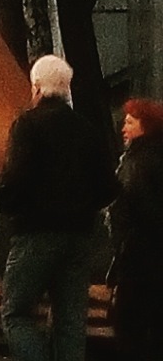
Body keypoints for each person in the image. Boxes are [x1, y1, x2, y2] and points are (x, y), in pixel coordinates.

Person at [0, 55, 118, 361]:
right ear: (66, 89)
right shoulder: (87, 130)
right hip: (78, 237)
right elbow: (108, 187)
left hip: (35, 234)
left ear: (37, 88)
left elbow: (15, 180)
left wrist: (12, 208)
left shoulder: (27, 125)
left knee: (16, 314)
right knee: (70, 322)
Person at [113, 99, 163, 359]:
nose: (123, 127)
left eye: (130, 122)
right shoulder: (156, 157)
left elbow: (136, 207)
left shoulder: (136, 163)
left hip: (139, 260)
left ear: (146, 127)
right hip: (153, 260)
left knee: (129, 327)